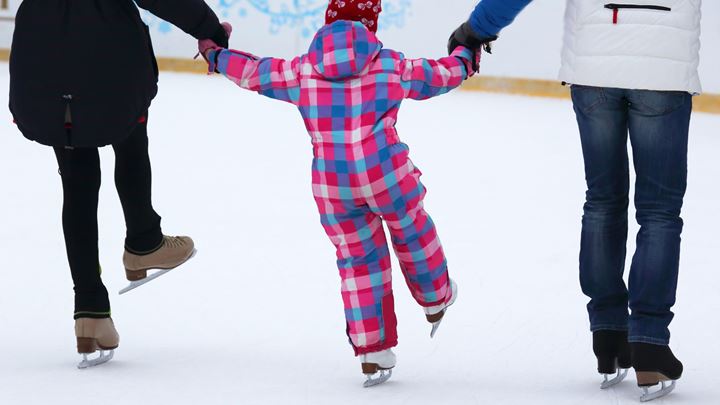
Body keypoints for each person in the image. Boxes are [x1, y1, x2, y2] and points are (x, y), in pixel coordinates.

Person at [197, 0, 479, 387]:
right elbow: (440, 75)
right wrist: (466, 54)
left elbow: (255, 72)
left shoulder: (302, 70)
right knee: (411, 227)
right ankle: (436, 298)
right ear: (370, 26)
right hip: (386, 173)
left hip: (334, 183)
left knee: (359, 259)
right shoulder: (390, 64)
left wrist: (216, 54)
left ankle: (373, 352)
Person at [450, 0, 700, 401]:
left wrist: (476, 28)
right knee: (659, 213)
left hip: (594, 69)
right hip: (664, 72)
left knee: (603, 201)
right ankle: (649, 341)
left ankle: (609, 335)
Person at [9, 0, 229, 368]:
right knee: (128, 131)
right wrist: (211, 30)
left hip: (42, 55)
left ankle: (90, 311)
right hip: (107, 57)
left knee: (76, 179)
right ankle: (144, 240)